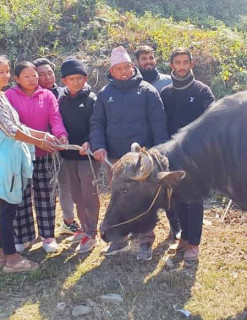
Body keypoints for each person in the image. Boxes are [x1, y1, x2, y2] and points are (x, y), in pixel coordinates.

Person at [0, 54, 59, 272]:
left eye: (6, 71)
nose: (4, 76)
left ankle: (3, 255)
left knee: (7, 206)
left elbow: (19, 125)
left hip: (10, 157)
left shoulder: (0, 96)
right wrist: (40, 140)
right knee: (7, 208)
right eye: (0, 72)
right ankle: (12, 259)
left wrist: (42, 134)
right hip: (4, 158)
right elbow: (12, 131)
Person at [90, 46, 169, 259]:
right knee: (118, 201)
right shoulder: (105, 94)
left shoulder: (148, 91)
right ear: (111, 71)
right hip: (115, 160)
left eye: (127, 67)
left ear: (133, 67)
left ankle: (144, 241)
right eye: (118, 68)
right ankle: (118, 240)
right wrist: (98, 145)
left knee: (143, 202)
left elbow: (159, 125)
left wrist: (158, 155)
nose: (124, 71)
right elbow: (97, 123)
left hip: (142, 165)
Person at [5, 61, 68, 253]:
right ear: (16, 79)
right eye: (27, 76)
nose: (33, 79)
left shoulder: (47, 95)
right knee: (21, 196)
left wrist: (61, 135)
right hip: (19, 154)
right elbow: (12, 126)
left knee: (46, 195)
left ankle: (48, 236)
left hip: (45, 153)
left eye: (34, 75)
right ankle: (23, 237)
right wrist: (36, 140)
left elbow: (55, 119)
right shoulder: (8, 96)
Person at [160, 48, 215, 261]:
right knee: (177, 197)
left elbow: (211, 119)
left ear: (192, 64)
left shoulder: (202, 91)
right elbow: (161, 124)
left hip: (197, 154)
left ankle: (194, 244)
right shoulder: (166, 93)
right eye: (178, 63)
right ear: (172, 66)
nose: (182, 67)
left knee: (195, 199)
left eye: (185, 62)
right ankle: (183, 238)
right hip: (173, 154)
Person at [134, 45, 181, 240]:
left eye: (151, 57)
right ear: (137, 62)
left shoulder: (168, 82)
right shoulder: (133, 84)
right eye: (144, 58)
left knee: (168, 184)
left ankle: (175, 225)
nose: (148, 61)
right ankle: (140, 228)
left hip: (165, 141)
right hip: (142, 143)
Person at [58, 57, 100, 253]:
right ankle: (83, 228)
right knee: (76, 195)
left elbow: (98, 124)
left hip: (88, 155)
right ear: (64, 81)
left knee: (88, 194)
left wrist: (90, 142)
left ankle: (92, 233)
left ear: (86, 78)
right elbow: (57, 124)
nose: (75, 82)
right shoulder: (61, 100)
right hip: (68, 154)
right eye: (71, 79)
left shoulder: (93, 99)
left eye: (79, 78)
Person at [33, 57, 79, 236]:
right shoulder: (33, 96)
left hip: (62, 146)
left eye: (50, 73)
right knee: (42, 190)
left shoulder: (64, 93)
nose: (47, 77)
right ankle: (42, 227)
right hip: (38, 149)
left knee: (65, 184)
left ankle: (68, 221)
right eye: (41, 74)